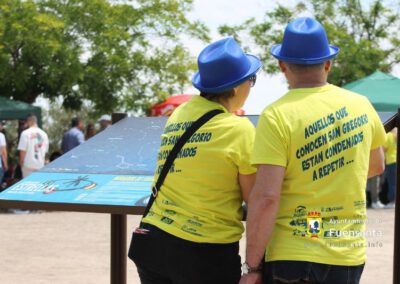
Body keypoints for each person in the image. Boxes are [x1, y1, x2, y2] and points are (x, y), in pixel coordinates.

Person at [240, 17, 386, 284]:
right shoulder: (362, 105)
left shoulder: (276, 115)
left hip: (294, 255)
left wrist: (251, 268)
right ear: (328, 64)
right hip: (348, 254)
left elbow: (267, 197)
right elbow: (376, 165)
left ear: (282, 66)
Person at [128, 37, 262, 284]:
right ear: (234, 87)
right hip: (204, 253)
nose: (251, 86)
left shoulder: (180, 113)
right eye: (250, 80)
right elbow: (254, 198)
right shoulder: (239, 130)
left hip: (153, 241)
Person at [17, 114, 49, 178]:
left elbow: (22, 151)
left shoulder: (25, 133)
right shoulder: (44, 134)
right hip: (40, 164)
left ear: (28, 122)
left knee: (28, 186)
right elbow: (45, 152)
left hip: (28, 165)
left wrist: (21, 163)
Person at [383, 127, 397, 208]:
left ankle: (392, 202)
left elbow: (384, 148)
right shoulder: (397, 137)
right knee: (396, 182)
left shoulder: (389, 136)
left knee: (391, 182)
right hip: (396, 160)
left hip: (391, 161)